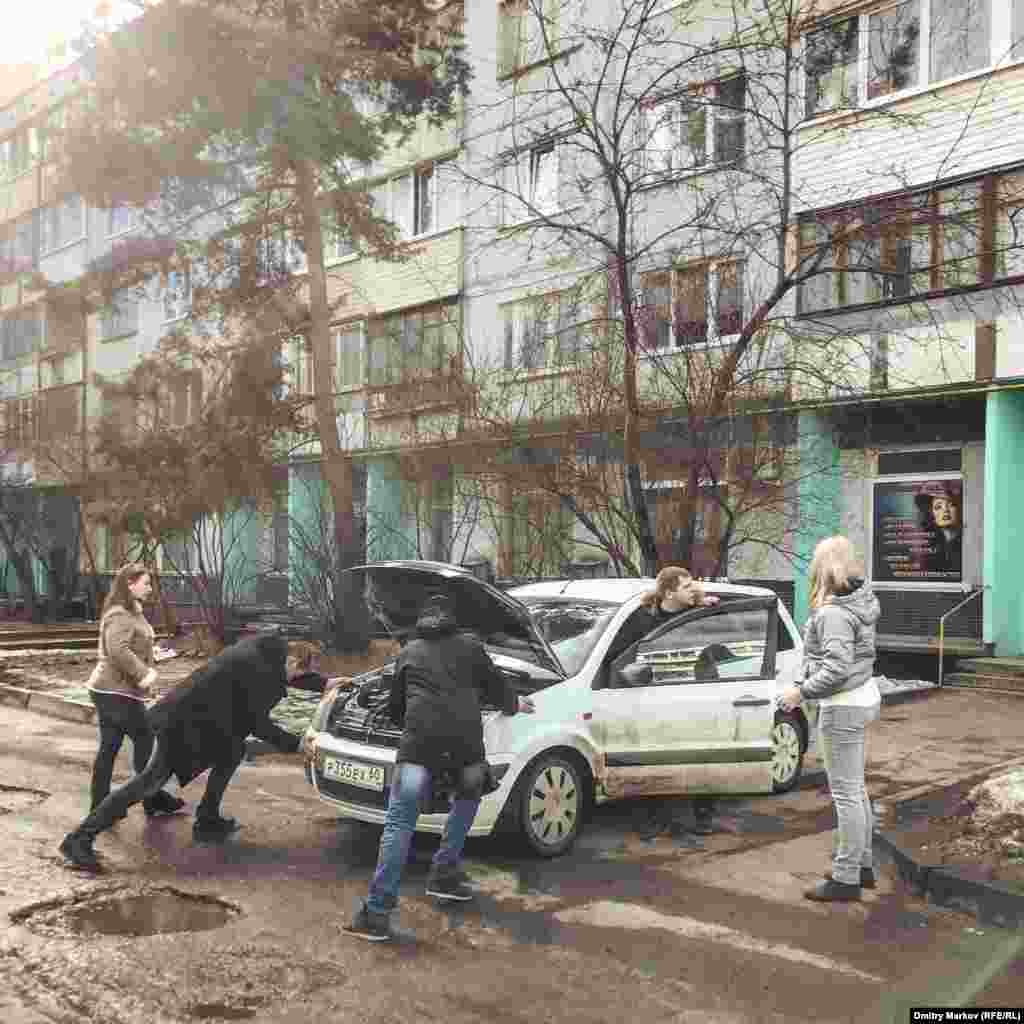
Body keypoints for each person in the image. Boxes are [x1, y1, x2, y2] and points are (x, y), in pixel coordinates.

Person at [347, 592, 535, 942]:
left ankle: (376, 913)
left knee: (400, 822)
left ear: (421, 621)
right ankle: (444, 875)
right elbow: (499, 690)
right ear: (454, 620)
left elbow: (395, 707)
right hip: (466, 745)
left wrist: (410, 721)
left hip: (420, 745)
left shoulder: (409, 651)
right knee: (468, 799)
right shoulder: (471, 646)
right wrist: (516, 704)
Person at [58, 633, 315, 871]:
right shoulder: (258, 669)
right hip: (180, 724)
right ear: (291, 661)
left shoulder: (264, 652)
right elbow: (256, 723)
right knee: (147, 783)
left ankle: (207, 819)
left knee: (233, 750)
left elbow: (279, 684)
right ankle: (79, 839)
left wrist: (324, 684)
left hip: (195, 718)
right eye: (295, 675)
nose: (292, 682)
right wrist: (295, 744)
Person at [780, 535, 881, 902]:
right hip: (861, 697)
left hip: (843, 705)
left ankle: (845, 878)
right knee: (856, 789)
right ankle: (861, 867)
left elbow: (836, 668)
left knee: (846, 793)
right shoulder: (860, 602)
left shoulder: (835, 613)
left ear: (823, 568)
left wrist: (801, 691)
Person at [604, 566, 721, 838]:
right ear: (669, 592)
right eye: (687, 585)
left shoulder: (697, 614)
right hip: (654, 699)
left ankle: (704, 816)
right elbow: (618, 655)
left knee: (703, 758)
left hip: (693, 697)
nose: (693, 588)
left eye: (693, 584)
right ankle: (655, 819)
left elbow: (714, 647)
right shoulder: (642, 619)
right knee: (655, 761)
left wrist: (704, 602)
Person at [85, 563, 184, 820]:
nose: (150, 588)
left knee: (110, 746)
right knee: (146, 742)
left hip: (111, 690)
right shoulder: (120, 613)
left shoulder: (133, 612)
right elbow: (117, 650)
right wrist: (144, 673)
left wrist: (155, 655)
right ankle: (151, 798)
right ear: (130, 584)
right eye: (146, 583)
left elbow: (133, 646)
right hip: (116, 691)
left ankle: (101, 806)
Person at [914, 481, 963, 576]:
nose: (946, 510)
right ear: (931, 513)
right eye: (938, 507)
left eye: (950, 504)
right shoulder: (931, 548)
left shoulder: (967, 542)